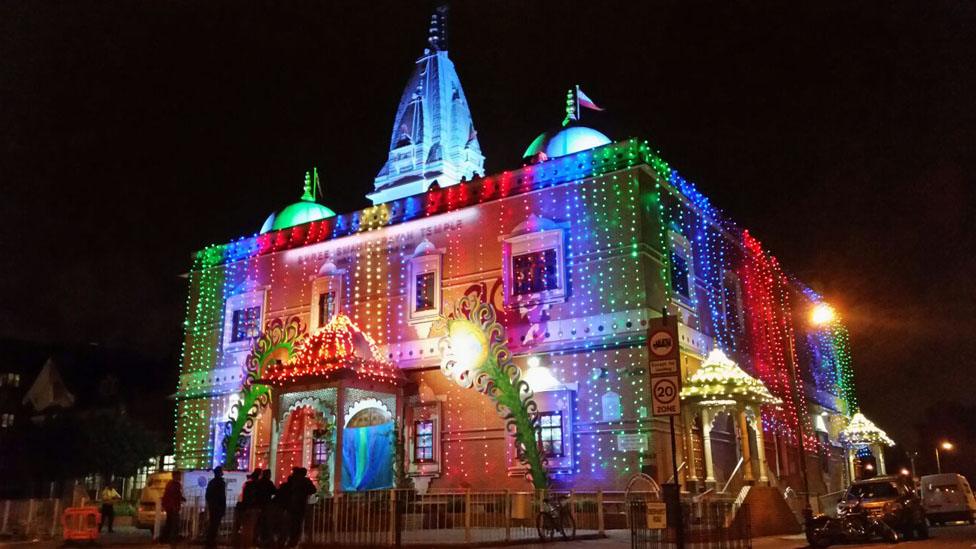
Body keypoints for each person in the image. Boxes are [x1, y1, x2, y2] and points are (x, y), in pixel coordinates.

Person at [284, 468, 316, 548]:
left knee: (291, 523)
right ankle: (294, 541)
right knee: (297, 524)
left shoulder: (291, 480)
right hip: (300, 505)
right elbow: (313, 490)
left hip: (290, 505)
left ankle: (289, 540)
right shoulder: (304, 481)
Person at [238, 469, 262, 548]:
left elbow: (244, 497)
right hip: (253, 508)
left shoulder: (247, 485)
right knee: (250, 528)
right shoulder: (257, 485)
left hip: (248, 508)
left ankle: (245, 544)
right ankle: (248, 544)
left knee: (247, 528)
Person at [205, 466, 227, 548]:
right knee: (215, 525)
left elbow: (207, 495)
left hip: (213, 507)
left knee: (212, 524)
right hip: (218, 507)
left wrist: (211, 503)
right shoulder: (221, 483)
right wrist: (223, 507)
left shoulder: (211, 482)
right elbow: (222, 497)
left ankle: (209, 541)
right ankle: (212, 542)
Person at [161, 477, 185, 544]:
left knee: (169, 522)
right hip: (173, 506)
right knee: (174, 523)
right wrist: (182, 498)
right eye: (179, 475)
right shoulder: (175, 484)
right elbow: (176, 494)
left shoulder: (170, 484)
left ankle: (165, 538)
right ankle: (171, 539)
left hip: (169, 506)